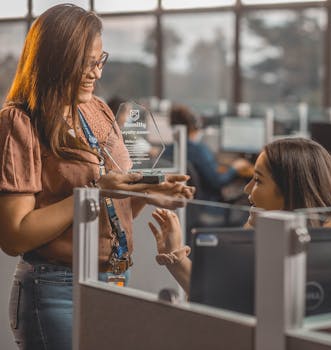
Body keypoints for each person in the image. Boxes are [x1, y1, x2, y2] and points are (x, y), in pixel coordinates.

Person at [0, 5, 192, 349]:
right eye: (86, 63)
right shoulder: (20, 121)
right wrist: (95, 192)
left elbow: (114, 207)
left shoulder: (98, 110)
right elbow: (15, 236)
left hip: (115, 279)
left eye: (99, 60)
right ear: (56, 60)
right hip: (56, 287)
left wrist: (149, 194)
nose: (96, 73)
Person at [148, 138, 331, 295]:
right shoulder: (269, 231)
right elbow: (223, 296)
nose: (247, 189)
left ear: (293, 190)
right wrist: (174, 256)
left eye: (258, 180)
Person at [169, 104, 253, 202]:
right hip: (208, 204)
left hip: (188, 205)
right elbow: (217, 181)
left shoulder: (168, 149)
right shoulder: (199, 150)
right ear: (195, 126)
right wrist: (234, 168)